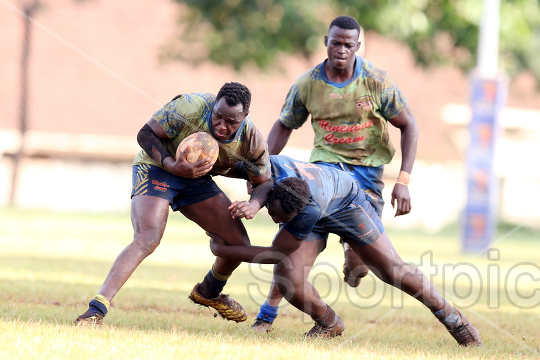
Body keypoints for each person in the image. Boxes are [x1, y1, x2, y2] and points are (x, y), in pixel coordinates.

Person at [254, 14, 419, 331]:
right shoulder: (308, 84)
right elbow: (284, 125)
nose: (341, 49)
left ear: (357, 46)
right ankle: (266, 315)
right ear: (326, 43)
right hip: (324, 172)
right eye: (336, 42)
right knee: (292, 245)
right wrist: (263, 168)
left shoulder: (376, 81)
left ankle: (353, 255)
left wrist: (403, 181)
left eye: (348, 44)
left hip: (367, 176)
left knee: (364, 263)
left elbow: (409, 125)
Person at [209, 155, 483, 346]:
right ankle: (329, 323)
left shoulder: (306, 210)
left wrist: (225, 248)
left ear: (297, 212)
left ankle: (456, 322)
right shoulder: (271, 171)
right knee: (288, 278)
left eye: (282, 218)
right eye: (273, 213)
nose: (276, 221)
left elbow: (274, 253)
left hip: (348, 205)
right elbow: (238, 169)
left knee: (392, 271)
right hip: (314, 197)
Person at [75, 82, 273, 325]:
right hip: (159, 167)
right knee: (148, 237)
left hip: (196, 178)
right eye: (218, 116)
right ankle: (96, 310)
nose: (222, 126)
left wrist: (254, 204)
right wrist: (171, 164)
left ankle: (209, 291)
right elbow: (145, 133)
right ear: (214, 105)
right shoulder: (189, 107)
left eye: (231, 121)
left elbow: (264, 182)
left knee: (238, 244)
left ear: (245, 117)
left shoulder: (252, 139)